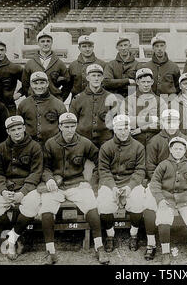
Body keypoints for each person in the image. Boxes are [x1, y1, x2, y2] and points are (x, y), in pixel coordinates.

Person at [38, 112, 109, 265]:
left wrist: (91, 182)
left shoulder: (84, 142)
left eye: (72, 126)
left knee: (91, 205)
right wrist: (49, 179)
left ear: (76, 126)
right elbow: (45, 167)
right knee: (46, 210)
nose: (70, 129)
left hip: (77, 183)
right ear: (60, 126)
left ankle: (99, 247)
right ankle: (50, 251)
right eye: (66, 126)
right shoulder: (50, 143)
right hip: (56, 186)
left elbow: (100, 162)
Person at [0, 116, 42, 260]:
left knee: (33, 205)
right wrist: (3, 190)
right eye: (13, 130)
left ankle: (11, 239)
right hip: (7, 188)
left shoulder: (34, 146)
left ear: (24, 128)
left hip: (26, 187)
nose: (17, 132)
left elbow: (36, 173)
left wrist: (23, 192)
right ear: (8, 132)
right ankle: (16, 234)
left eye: (19, 128)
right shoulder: (1, 148)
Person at [143, 109, 187, 261]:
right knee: (149, 202)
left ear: (178, 122)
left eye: (174, 121)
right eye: (167, 121)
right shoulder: (155, 141)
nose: (171, 124)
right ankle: (151, 243)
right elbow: (150, 166)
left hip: (182, 185)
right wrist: (159, 185)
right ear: (162, 122)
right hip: (159, 183)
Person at [148, 137, 187, 265]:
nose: (178, 151)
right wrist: (160, 199)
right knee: (163, 219)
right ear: (170, 150)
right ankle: (166, 252)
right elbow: (154, 183)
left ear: (185, 151)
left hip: (185, 200)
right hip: (167, 199)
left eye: (181, 149)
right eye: (175, 148)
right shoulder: (163, 165)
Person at [97, 114, 146, 253]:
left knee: (137, 201)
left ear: (130, 128)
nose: (123, 132)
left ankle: (134, 234)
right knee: (105, 204)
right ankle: (110, 235)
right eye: (119, 129)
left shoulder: (138, 147)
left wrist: (130, 187)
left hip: (131, 182)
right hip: (110, 182)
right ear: (114, 129)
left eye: (126, 128)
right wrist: (112, 187)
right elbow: (104, 170)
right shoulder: (106, 147)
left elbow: (140, 170)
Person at [69, 64, 119, 148]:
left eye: (99, 76)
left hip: (105, 141)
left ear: (102, 78)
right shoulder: (78, 98)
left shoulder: (111, 98)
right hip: (83, 141)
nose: (96, 78)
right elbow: (72, 122)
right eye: (93, 75)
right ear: (87, 78)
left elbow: (116, 122)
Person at [119, 68, 166, 147]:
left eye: (148, 82)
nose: (146, 85)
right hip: (134, 140)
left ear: (152, 82)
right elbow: (126, 121)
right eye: (143, 82)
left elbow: (163, 122)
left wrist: (142, 128)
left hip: (155, 141)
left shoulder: (160, 101)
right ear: (137, 82)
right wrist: (152, 119)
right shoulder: (128, 100)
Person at [17, 72, 66, 146]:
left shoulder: (58, 104)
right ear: (31, 84)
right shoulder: (23, 104)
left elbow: (64, 128)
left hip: (52, 146)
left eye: (42, 83)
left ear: (47, 84)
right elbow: (18, 127)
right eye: (35, 83)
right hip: (29, 147)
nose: (39, 87)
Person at [22, 31, 71, 102]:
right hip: (35, 100)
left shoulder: (59, 63)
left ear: (51, 43)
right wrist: (30, 96)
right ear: (38, 43)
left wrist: (61, 99)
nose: (45, 44)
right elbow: (25, 85)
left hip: (53, 100)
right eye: (42, 41)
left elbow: (67, 84)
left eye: (48, 41)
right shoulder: (30, 63)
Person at [68, 35, 106, 99]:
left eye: (90, 46)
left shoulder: (102, 64)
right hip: (77, 101)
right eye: (84, 46)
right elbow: (68, 86)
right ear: (79, 48)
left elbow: (106, 85)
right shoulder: (73, 65)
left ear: (93, 47)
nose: (87, 49)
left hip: (96, 100)